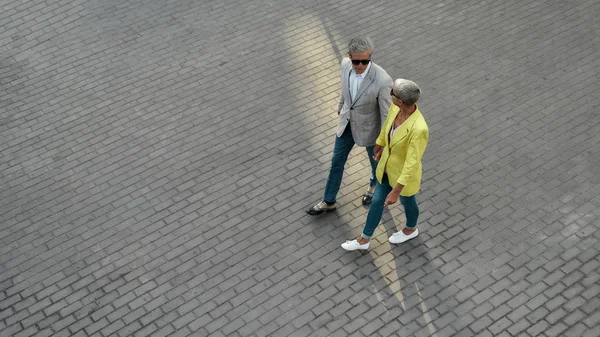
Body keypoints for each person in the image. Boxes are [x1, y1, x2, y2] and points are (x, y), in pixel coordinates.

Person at [307, 36, 393, 215]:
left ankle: (374, 186)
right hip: (347, 124)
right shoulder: (345, 65)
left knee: (376, 164)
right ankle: (329, 200)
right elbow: (344, 89)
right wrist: (341, 106)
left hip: (371, 130)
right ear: (349, 56)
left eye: (365, 61)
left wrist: (383, 142)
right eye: (356, 61)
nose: (360, 65)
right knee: (336, 162)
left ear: (371, 56)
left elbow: (386, 114)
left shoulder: (383, 80)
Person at [341, 79, 428, 251]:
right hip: (386, 170)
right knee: (377, 201)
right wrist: (380, 145)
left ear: (401, 101)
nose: (390, 95)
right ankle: (364, 240)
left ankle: (411, 229)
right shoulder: (395, 109)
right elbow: (386, 128)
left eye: (392, 93)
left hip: (403, 177)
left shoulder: (419, 129)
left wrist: (396, 191)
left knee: (408, 202)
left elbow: (411, 163)